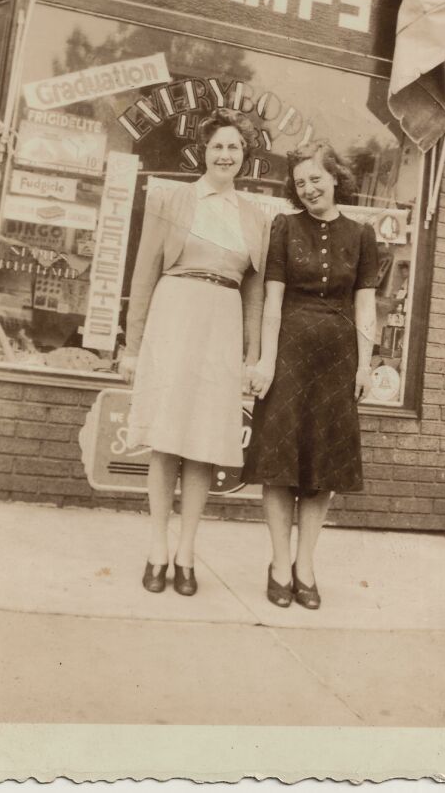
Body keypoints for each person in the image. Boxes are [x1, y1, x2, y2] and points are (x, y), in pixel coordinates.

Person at [120, 109, 267, 597]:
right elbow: (144, 274)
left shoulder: (255, 216)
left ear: (244, 158)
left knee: (204, 440)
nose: (226, 155)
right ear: (204, 152)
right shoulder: (171, 200)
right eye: (218, 146)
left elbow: (255, 294)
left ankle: (186, 550)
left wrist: (252, 355)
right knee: (167, 435)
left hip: (221, 324)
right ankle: (156, 546)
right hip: (174, 315)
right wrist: (133, 346)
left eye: (235, 148)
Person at [242, 141, 378, 610]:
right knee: (279, 467)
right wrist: (264, 360)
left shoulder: (362, 236)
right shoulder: (285, 227)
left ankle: (305, 566)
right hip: (290, 358)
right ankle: (280, 565)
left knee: (322, 470)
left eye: (316, 179)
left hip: (337, 361)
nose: (308, 189)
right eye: (300, 183)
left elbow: (365, 305)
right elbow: (273, 301)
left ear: (335, 177)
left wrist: (364, 363)